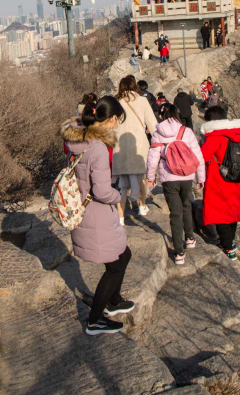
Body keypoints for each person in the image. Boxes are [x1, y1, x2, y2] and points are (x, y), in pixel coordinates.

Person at [63, 97, 134, 335]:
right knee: (115, 265)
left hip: (86, 210)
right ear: (111, 119)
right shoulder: (99, 148)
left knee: (124, 254)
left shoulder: (78, 140)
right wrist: (118, 195)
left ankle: (113, 301)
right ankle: (95, 320)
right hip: (97, 214)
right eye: (117, 120)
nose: (117, 125)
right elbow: (102, 191)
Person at [146, 104, 206, 265]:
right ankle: (190, 238)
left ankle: (179, 252)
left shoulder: (158, 133)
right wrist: (201, 178)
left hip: (169, 178)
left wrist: (150, 178)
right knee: (186, 205)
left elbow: (152, 159)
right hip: (187, 176)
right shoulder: (186, 131)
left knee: (175, 213)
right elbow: (198, 155)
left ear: (161, 116)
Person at [199, 106, 240, 261]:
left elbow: (202, 156)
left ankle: (228, 247)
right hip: (237, 180)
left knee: (220, 216)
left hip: (220, 181)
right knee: (232, 213)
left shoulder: (214, 137)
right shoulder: (238, 134)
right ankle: (231, 241)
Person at [113, 75, 158, 224]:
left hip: (119, 146)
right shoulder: (142, 101)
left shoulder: (116, 102)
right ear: (135, 86)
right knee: (141, 177)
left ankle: (120, 217)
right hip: (138, 145)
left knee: (121, 183)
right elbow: (152, 124)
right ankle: (142, 206)